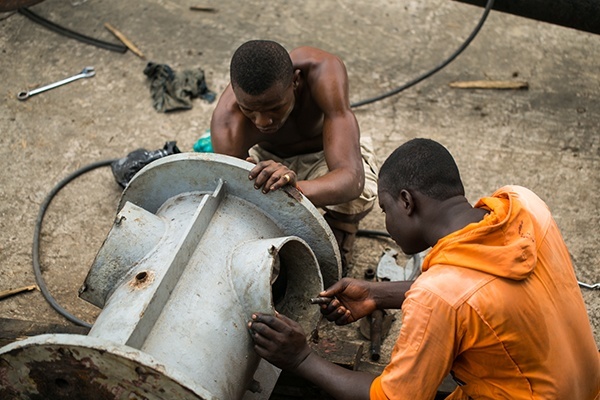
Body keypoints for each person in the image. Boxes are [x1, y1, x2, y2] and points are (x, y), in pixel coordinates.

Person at [248, 138, 600, 399]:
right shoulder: (524, 206)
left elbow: (394, 397)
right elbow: (478, 290)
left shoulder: (438, 297)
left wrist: (301, 358)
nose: (386, 223)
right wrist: (376, 293)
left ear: (406, 200)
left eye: (385, 209)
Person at [210, 40, 379, 274]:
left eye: (274, 108)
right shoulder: (227, 121)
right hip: (267, 160)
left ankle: (341, 226)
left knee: (360, 196)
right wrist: (269, 184)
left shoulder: (322, 71)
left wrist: (294, 188)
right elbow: (240, 202)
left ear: (295, 82)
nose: (262, 122)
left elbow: (351, 178)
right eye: (249, 110)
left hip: (324, 154)